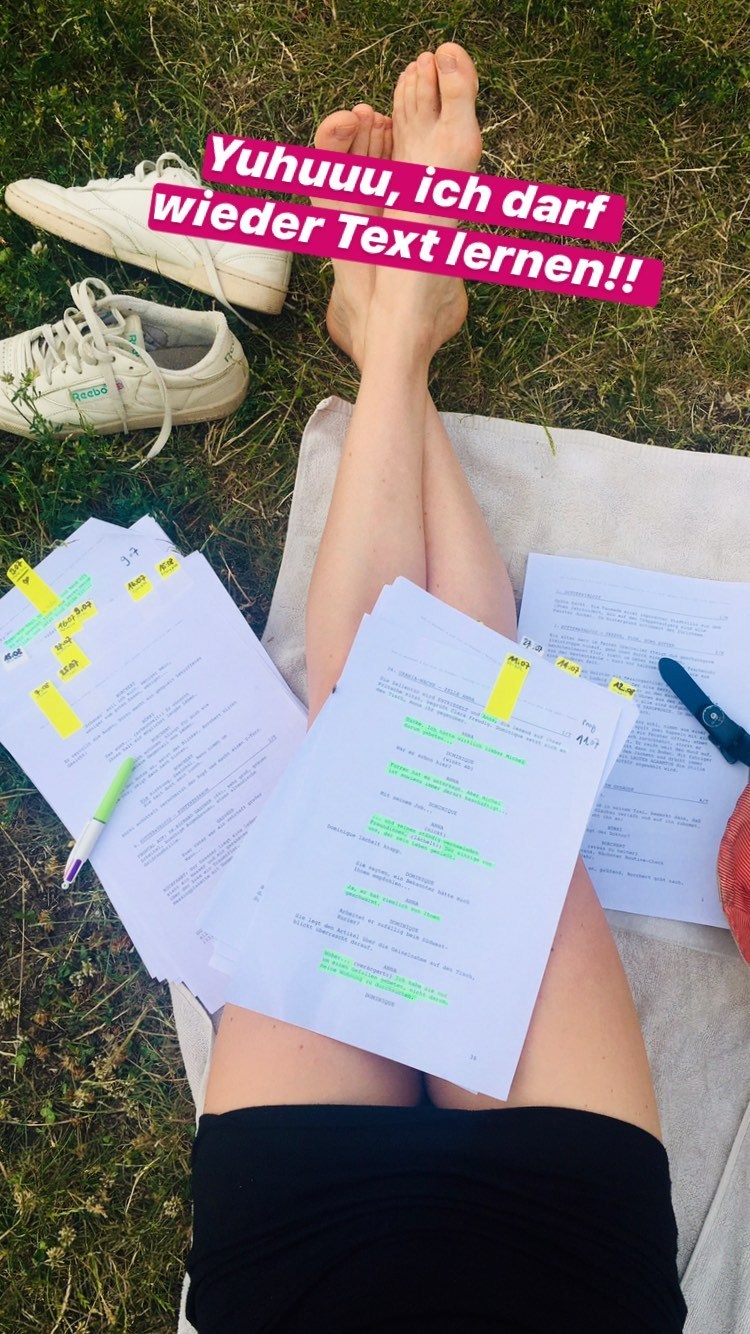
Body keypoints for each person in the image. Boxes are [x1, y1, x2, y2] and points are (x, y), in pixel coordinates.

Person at [186, 45, 687, 1333]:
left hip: (305, 1271)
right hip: (564, 1272)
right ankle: (394, 333)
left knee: (365, 742)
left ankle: (393, 338)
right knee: (472, 764)